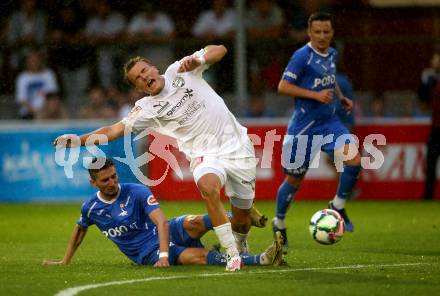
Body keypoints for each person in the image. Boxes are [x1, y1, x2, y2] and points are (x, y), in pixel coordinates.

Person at [53, 44, 265, 271]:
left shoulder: (180, 70)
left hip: (237, 147)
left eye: (144, 71)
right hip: (205, 154)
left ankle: (241, 245)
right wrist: (78, 140)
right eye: (137, 79)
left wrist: (199, 60)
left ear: (154, 69)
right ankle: (232, 254)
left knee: (241, 218)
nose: (143, 77)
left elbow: (221, 49)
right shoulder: (145, 109)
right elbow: (113, 131)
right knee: (208, 186)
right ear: (138, 88)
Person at [42, 158, 283, 267]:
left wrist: (165, 255)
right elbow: (80, 227)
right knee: (197, 257)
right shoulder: (91, 208)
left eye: (114, 176)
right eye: (105, 180)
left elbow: (161, 222)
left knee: (193, 221)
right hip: (147, 252)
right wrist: (65, 260)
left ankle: (238, 215)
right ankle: (260, 260)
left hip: (165, 234)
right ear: (93, 183)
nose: (112, 182)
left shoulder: (135, 191)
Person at [271, 12, 362, 250]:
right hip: (304, 128)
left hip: (329, 123)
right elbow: (282, 86)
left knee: (354, 160)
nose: (322, 36)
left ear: (332, 33)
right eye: (317, 32)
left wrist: (341, 98)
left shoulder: (332, 53)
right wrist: (314, 95)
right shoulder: (301, 57)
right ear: (310, 33)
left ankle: (338, 206)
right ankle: (279, 222)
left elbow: (329, 80)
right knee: (294, 180)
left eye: (326, 32)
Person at [15, 50, 59, 119]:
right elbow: (21, 101)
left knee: (61, 109)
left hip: (47, 110)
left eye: (36, 60)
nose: (34, 63)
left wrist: (44, 110)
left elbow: (52, 95)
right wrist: (35, 111)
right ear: (27, 62)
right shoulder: (22, 77)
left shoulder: (48, 74)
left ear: (40, 61)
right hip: (29, 112)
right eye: (31, 61)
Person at [422, 78, 440, 200]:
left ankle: (428, 195)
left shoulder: (435, 84)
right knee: (430, 164)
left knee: (431, 163)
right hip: (436, 129)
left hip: (437, 129)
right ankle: (428, 195)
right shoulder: (434, 82)